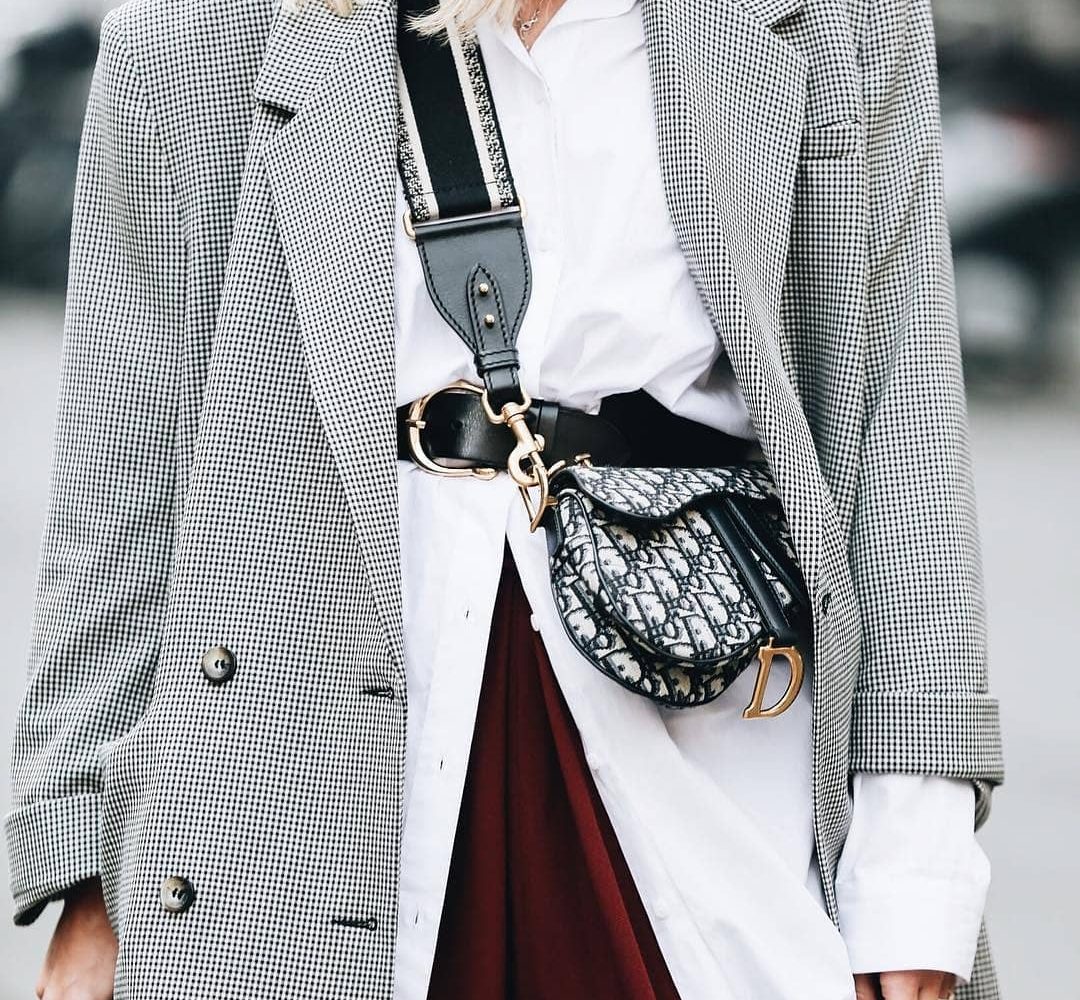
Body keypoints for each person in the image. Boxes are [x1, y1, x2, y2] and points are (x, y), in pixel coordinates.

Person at [6, 0, 1004, 998]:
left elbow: (899, 434)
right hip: (299, 785)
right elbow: (123, 491)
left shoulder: (837, 19)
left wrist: (912, 870)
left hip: (712, 767)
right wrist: (91, 875)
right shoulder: (198, 38)